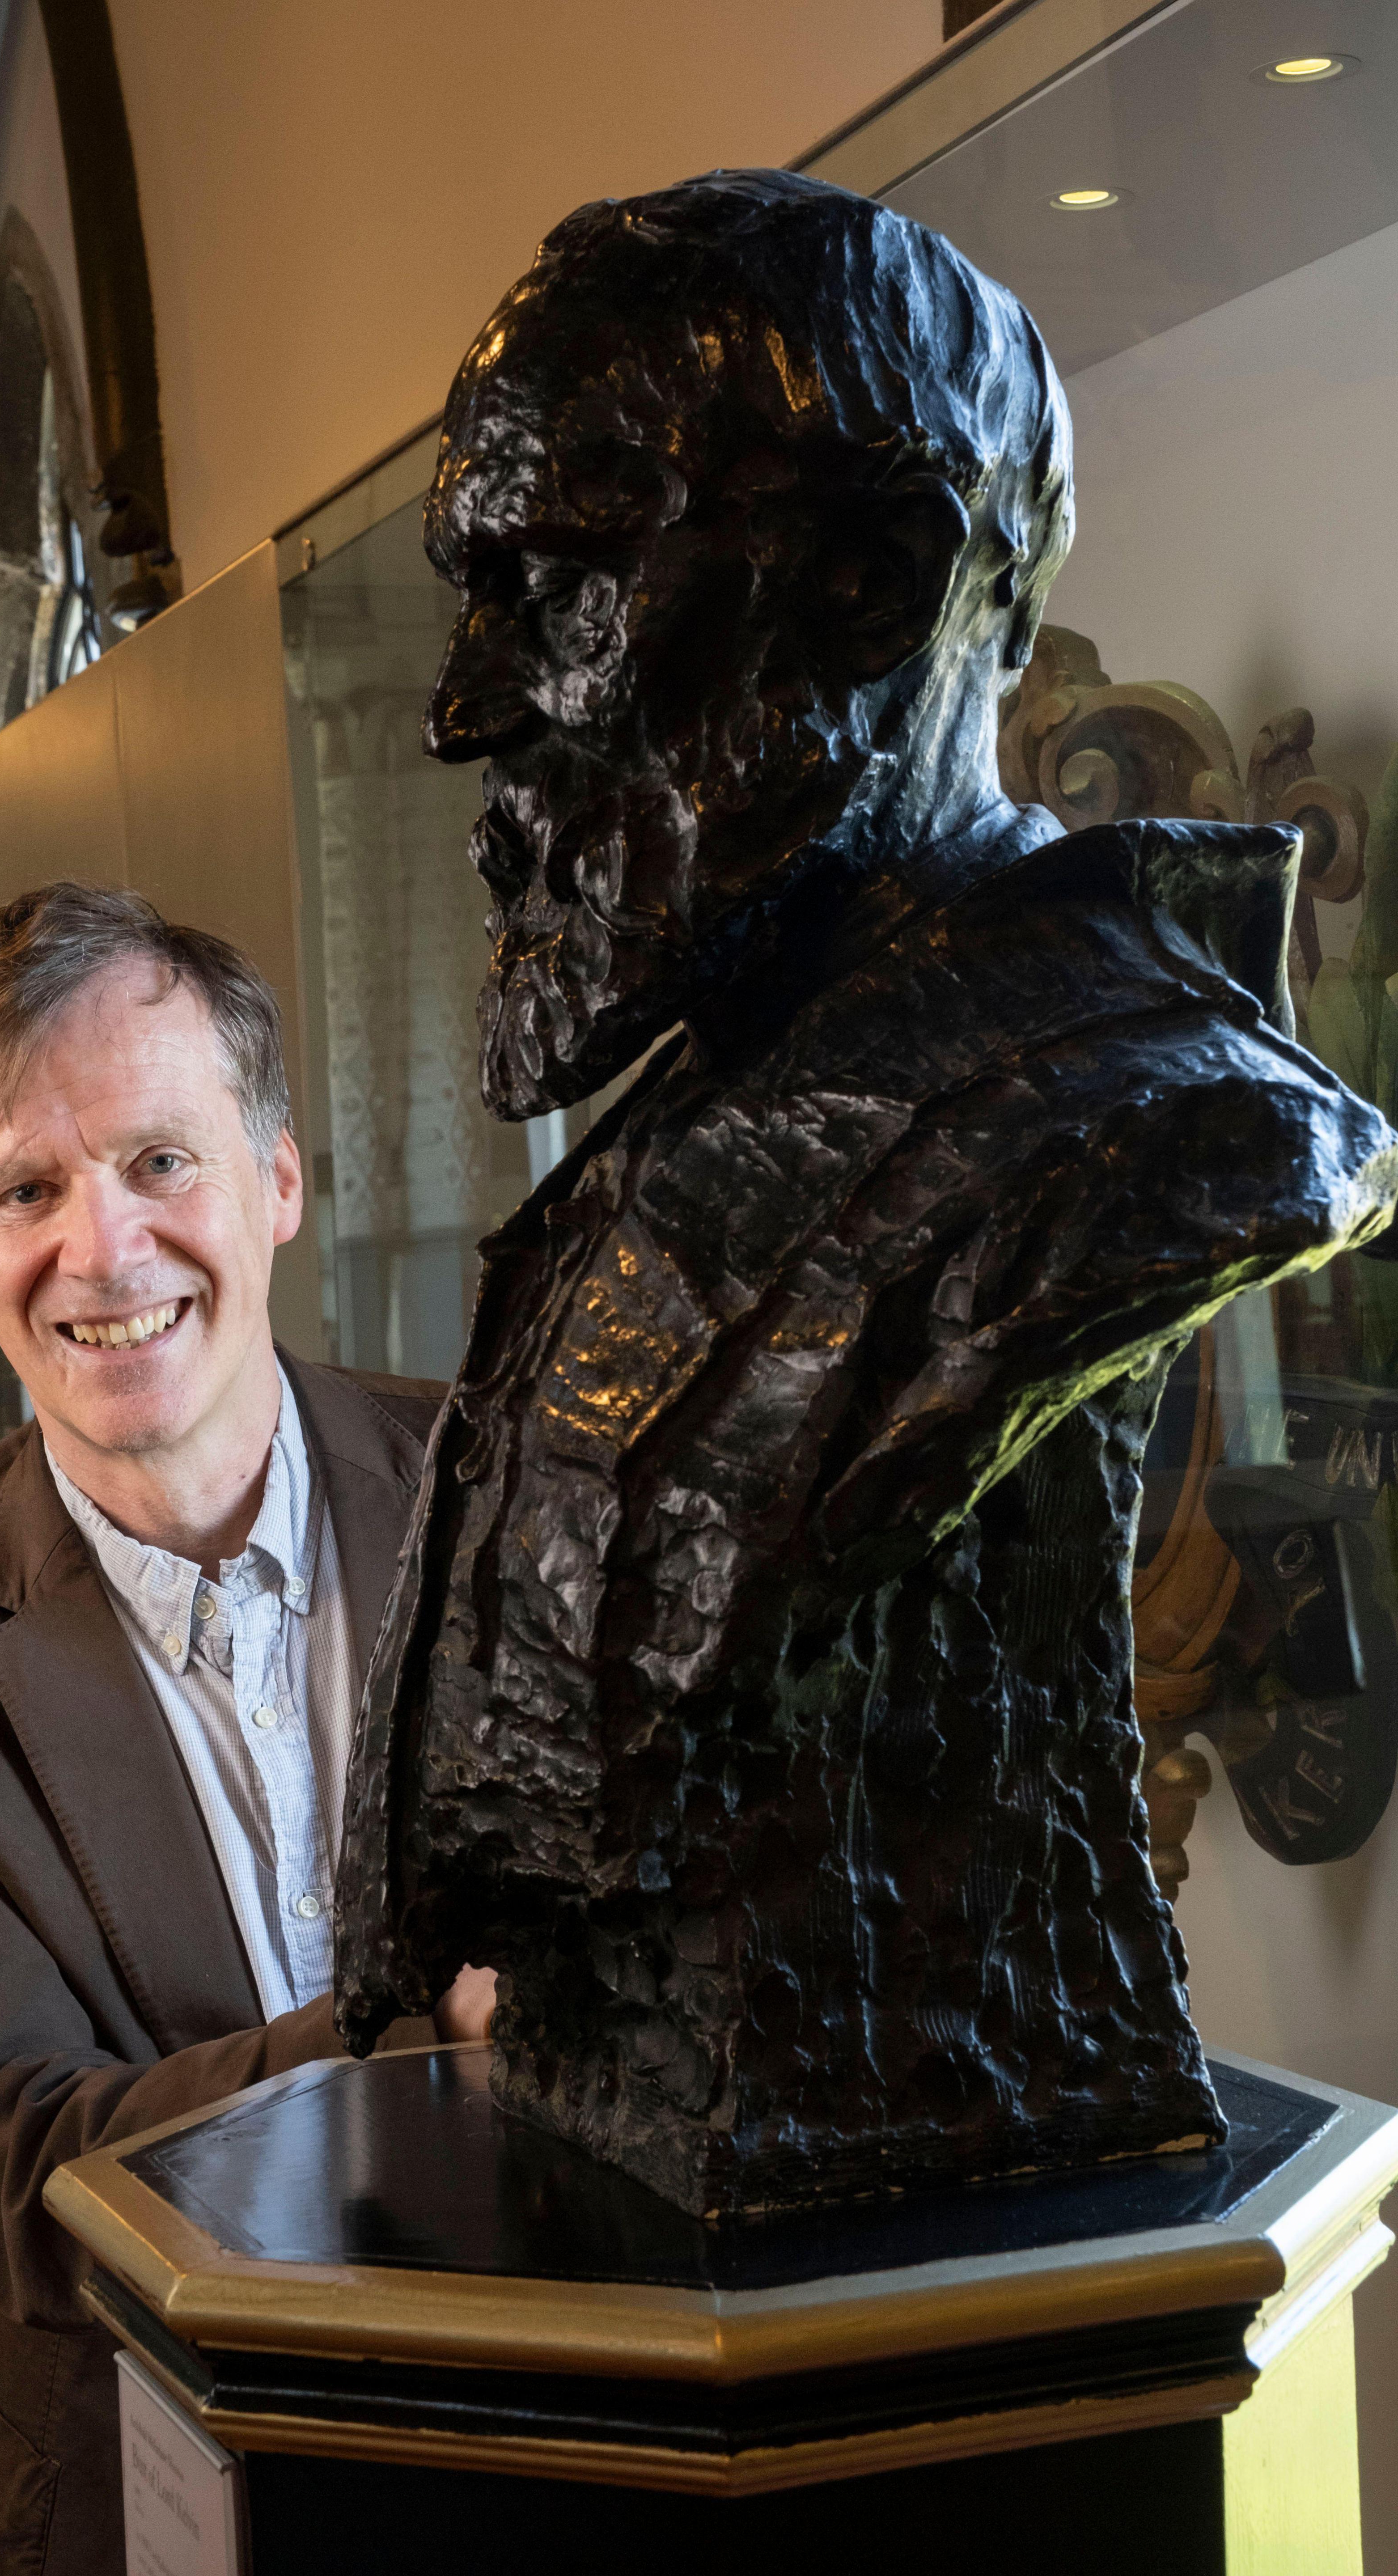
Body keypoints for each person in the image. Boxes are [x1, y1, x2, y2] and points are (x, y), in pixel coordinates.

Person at [333, 172, 1398, 2218]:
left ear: (872, 584)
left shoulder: (1136, 1128)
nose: (466, 712)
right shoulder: (690, 1123)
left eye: (555, 589)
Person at [0, 882, 494, 2574]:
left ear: (281, 1179)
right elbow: (12, 2172)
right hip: (126, 2487)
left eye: (161, 1159)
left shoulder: (524, 1502)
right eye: (24, 1187)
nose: (102, 1249)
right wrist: (432, 2041)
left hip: (570, 2446)